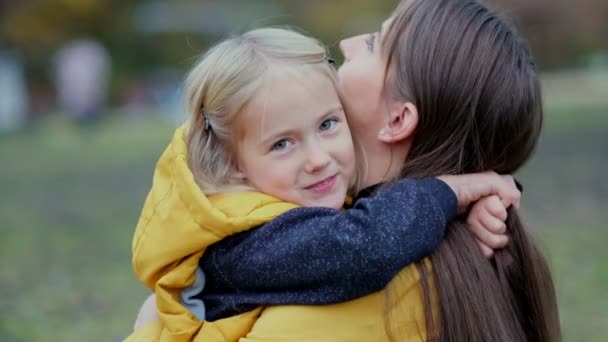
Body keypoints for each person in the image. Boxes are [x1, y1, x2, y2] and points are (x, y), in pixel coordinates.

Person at [127, 25, 519, 341]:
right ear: (235, 164)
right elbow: (365, 247)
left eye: (328, 124)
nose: (317, 159)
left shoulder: (288, 202)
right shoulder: (249, 238)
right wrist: (451, 193)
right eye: (282, 144)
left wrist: (486, 192)